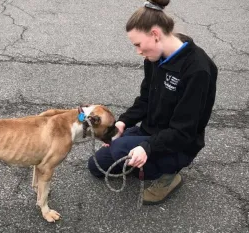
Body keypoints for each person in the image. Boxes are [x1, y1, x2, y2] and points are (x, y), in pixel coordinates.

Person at [88, 0, 217, 205]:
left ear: (155, 34)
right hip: (151, 130)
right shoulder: (154, 58)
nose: (138, 51)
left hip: (179, 143)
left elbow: (184, 131)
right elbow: (145, 99)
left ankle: (170, 174)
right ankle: (140, 159)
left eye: (138, 44)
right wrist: (123, 123)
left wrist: (146, 148)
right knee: (96, 166)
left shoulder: (197, 70)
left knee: (120, 149)